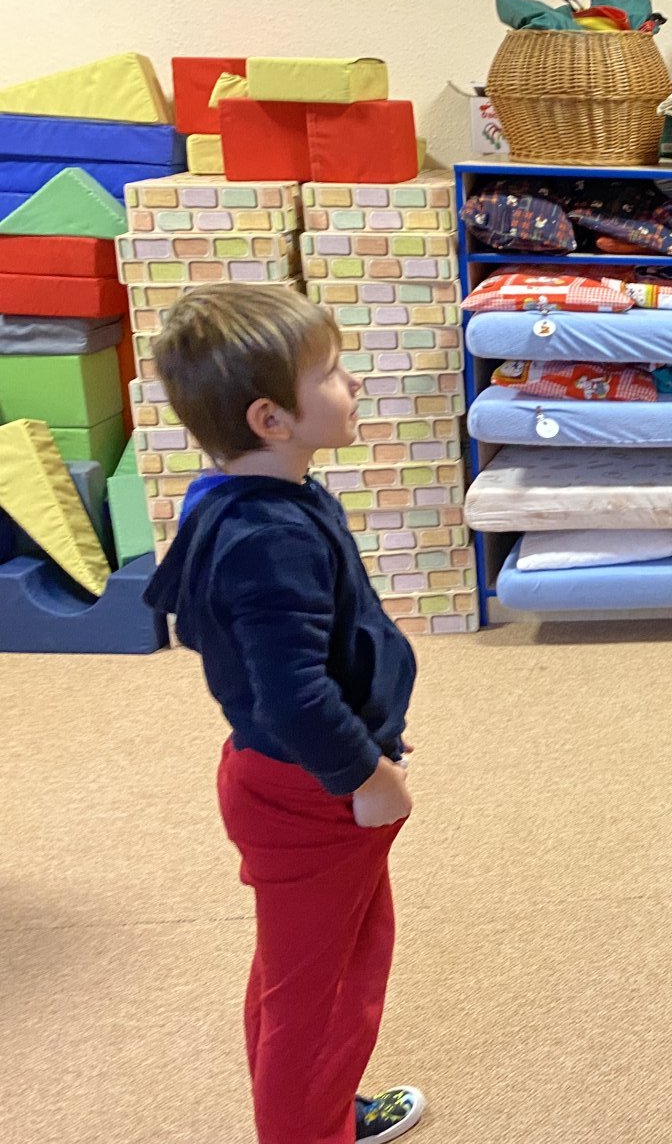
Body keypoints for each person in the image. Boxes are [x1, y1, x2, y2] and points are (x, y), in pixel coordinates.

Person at [143, 284, 427, 1143]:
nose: (353, 384)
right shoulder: (271, 538)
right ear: (271, 419)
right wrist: (365, 776)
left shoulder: (241, 498)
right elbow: (293, 692)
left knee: (304, 967)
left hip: (283, 780)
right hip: (314, 791)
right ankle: (307, 1128)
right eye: (332, 373)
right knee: (324, 988)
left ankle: (317, 1111)